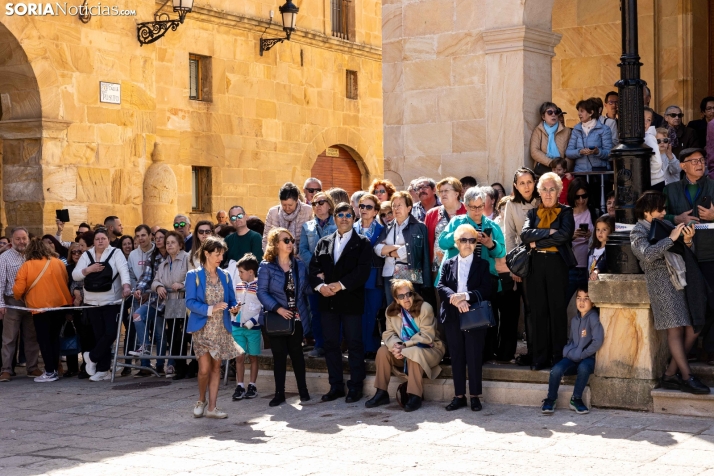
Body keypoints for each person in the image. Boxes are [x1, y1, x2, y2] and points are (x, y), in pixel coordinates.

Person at [630, 191, 709, 394]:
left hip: (680, 281)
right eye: (660, 209)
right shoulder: (638, 231)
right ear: (647, 212)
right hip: (661, 285)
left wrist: (688, 241)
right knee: (674, 330)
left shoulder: (664, 225)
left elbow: (683, 254)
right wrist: (671, 238)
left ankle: (669, 374)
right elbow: (647, 255)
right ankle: (686, 376)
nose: (664, 212)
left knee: (693, 327)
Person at [309, 203, 372, 403]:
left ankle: (355, 386)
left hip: (351, 300)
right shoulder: (323, 242)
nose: (344, 218)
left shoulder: (362, 242)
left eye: (348, 215)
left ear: (354, 219)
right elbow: (313, 270)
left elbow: (362, 271)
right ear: (334, 217)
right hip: (327, 301)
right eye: (340, 215)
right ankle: (335, 386)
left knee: (354, 343)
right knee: (330, 344)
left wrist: (340, 285)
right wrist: (321, 287)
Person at [662, 148, 714, 362]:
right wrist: (676, 218)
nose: (700, 164)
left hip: (710, 253)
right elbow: (659, 216)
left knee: (712, 302)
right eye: (694, 161)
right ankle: (689, 352)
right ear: (682, 166)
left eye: (702, 160)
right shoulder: (671, 189)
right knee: (688, 304)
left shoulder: (713, 186)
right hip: (683, 256)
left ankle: (710, 350)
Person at [521, 172, 576, 370]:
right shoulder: (532, 213)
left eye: (552, 189)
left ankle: (557, 357)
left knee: (557, 311)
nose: (548, 193)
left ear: (559, 191)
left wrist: (538, 242)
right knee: (538, 311)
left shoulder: (566, 212)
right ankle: (539, 358)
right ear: (539, 192)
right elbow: (525, 235)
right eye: (544, 189)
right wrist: (547, 232)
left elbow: (564, 236)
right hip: (535, 264)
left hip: (556, 264)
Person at [364, 280, 445, 412]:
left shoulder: (425, 308)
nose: (406, 299)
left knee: (412, 351)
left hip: (430, 350)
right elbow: (388, 334)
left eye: (408, 294)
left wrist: (405, 346)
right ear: (396, 299)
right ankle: (381, 392)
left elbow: (426, 336)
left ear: (413, 294)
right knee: (383, 351)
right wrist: (396, 346)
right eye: (401, 296)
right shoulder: (391, 312)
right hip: (403, 350)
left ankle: (415, 395)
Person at [185, 236, 243, 418]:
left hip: (220, 329)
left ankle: (212, 408)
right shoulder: (193, 276)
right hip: (202, 329)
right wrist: (211, 308)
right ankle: (201, 399)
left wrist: (234, 308)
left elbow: (231, 299)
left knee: (216, 368)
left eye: (222, 254)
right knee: (203, 369)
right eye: (217, 254)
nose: (220, 258)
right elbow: (190, 302)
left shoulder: (225, 275)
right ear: (206, 253)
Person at [437, 224, 493, 412]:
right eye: (463, 240)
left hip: (474, 315)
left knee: (474, 356)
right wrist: (455, 299)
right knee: (457, 356)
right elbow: (441, 286)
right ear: (456, 243)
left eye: (471, 240)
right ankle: (459, 395)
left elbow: (487, 289)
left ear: (476, 243)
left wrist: (466, 296)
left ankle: (475, 396)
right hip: (453, 315)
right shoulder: (448, 263)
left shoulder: (482, 264)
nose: (468, 244)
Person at [257, 228, 312, 406]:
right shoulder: (266, 266)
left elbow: (305, 290)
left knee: (297, 354)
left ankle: (303, 390)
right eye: (286, 240)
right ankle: (279, 393)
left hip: (297, 315)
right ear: (276, 244)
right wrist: (277, 308)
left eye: (291, 241)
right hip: (277, 317)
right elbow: (262, 292)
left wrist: (321, 284)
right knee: (279, 356)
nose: (290, 244)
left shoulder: (299, 265)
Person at [73, 228, 132, 382]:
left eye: (103, 238)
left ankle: (91, 356)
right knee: (99, 336)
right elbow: (75, 274)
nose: (100, 241)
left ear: (108, 240)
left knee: (111, 333)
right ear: (94, 241)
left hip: (111, 301)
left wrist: (126, 286)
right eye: (97, 239)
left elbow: (123, 270)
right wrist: (88, 269)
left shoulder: (116, 253)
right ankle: (102, 369)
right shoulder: (87, 255)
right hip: (92, 302)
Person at [12, 239, 73, 382]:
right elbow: (65, 279)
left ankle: (50, 371)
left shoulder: (27, 266)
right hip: (59, 305)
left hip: (40, 308)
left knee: (44, 340)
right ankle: (55, 369)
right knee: (54, 338)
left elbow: (17, 290)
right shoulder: (58, 262)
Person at [540, 287, 604, 414]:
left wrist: (583, 354)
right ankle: (550, 399)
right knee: (556, 370)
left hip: (588, 358)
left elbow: (598, 340)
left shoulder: (593, 317)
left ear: (593, 301)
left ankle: (576, 399)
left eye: (586, 298)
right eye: (579, 298)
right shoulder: (575, 320)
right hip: (573, 356)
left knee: (584, 368)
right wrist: (567, 351)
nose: (582, 302)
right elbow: (571, 340)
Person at [437, 187, 506, 294]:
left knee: (482, 310)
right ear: (465, 206)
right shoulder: (456, 222)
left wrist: (490, 244)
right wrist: (459, 234)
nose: (477, 211)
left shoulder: (492, 225)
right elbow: (442, 243)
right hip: (456, 275)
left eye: (480, 206)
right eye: (473, 207)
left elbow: (501, 252)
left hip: (483, 279)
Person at [503, 168, 540, 365]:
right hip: (523, 263)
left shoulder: (542, 200)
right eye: (522, 183)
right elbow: (509, 235)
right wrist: (513, 267)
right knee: (530, 309)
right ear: (516, 186)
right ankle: (533, 351)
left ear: (535, 182)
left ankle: (546, 349)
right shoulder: (511, 204)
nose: (526, 186)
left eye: (529, 182)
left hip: (544, 260)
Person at [374, 191, 431, 306]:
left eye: (399, 205)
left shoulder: (418, 227)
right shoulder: (388, 227)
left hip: (409, 273)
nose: (396, 208)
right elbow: (377, 249)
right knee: (393, 309)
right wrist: (396, 248)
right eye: (394, 205)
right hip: (389, 274)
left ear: (409, 208)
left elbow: (409, 251)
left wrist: (388, 251)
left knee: (410, 309)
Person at [0, 227, 42, 382]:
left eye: (24, 238)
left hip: (31, 301)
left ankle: (32, 367)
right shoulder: (4, 257)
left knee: (32, 336)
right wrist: (1, 303)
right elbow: (0, 282)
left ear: (28, 239)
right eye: (18, 239)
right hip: (12, 301)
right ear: (12, 240)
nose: (21, 242)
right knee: (9, 338)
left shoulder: (34, 257)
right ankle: (6, 370)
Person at [298, 191, 336, 359]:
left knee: (335, 311)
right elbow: (303, 250)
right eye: (314, 204)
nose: (318, 207)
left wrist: (327, 267)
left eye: (321, 202)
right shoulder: (307, 226)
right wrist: (316, 266)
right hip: (314, 276)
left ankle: (335, 344)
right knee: (316, 311)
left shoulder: (338, 224)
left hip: (334, 275)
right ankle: (319, 345)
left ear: (329, 204)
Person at [130, 228, 169, 377]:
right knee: (137, 315)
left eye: (161, 238)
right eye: (156, 237)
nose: (158, 240)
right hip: (155, 300)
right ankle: (145, 347)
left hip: (169, 300)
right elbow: (146, 277)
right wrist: (139, 289)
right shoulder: (152, 256)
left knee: (160, 333)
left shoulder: (173, 255)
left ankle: (160, 365)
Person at [353, 193, 385, 357]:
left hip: (375, 276)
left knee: (372, 312)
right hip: (355, 278)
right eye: (362, 206)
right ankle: (359, 347)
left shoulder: (382, 230)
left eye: (369, 207)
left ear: (375, 211)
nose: (364, 209)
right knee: (358, 312)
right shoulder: (351, 228)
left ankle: (371, 348)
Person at [230, 253, 263, 401]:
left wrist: (253, 321)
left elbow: (263, 309)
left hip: (253, 329)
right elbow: (235, 304)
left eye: (241, 272)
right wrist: (234, 310)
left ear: (251, 272)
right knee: (239, 357)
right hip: (237, 326)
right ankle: (240, 385)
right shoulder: (238, 286)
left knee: (254, 356)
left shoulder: (260, 287)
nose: (239, 275)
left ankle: (252, 385)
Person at [424, 177, 466, 285]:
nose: (443, 194)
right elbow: (427, 241)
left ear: (457, 193)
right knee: (440, 299)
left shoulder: (468, 211)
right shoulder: (432, 213)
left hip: (463, 264)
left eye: (446, 191)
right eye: (440, 191)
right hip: (437, 266)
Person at [566, 178, 599, 303]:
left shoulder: (594, 213)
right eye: (577, 197)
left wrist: (592, 236)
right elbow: (558, 240)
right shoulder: (566, 215)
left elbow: (603, 239)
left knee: (591, 306)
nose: (581, 200)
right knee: (560, 304)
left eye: (584, 196)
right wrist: (571, 236)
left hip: (589, 268)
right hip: (571, 267)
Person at [262, 182, 313, 251]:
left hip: (301, 257)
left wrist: (301, 258)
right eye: (284, 205)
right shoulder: (273, 212)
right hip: (277, 256)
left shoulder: (308, 211)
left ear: (297, 200)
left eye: (290, 205)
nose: (287, 208)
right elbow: (266, 238)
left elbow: (311, 239)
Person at [566, 98, 613, 172]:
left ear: (591, 112)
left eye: (582, 111)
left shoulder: (604, 129)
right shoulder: (576, 129)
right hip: (580, 173)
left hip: (599, 173)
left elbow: (609, 153)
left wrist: (597, 152)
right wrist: (580, 152)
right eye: (578, 111)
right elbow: (568, 152)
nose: (579, 114)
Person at [530, 101, 572, 176]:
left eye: (556, 112)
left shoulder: (567, 131)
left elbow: (571, 152)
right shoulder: (538, 130)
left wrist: (563, 167)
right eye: (550, 112)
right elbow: (534, 151)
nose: (553, 115)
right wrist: (551, 163)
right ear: (543, 117)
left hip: (561, 171)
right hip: (544, 169)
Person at [644, 107, 666, 191]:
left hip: (655, 182)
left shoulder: (649, 138)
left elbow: (657, 163)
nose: (645, 123)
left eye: (648, 120)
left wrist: (647, 175)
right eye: (643, 118)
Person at [588, 215, 614, 281]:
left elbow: (605, 261)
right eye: (598, 229)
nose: (600, 232)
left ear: (612, 231)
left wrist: (597, 270)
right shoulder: (592, 249)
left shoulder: (610, 250)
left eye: (604, 230)